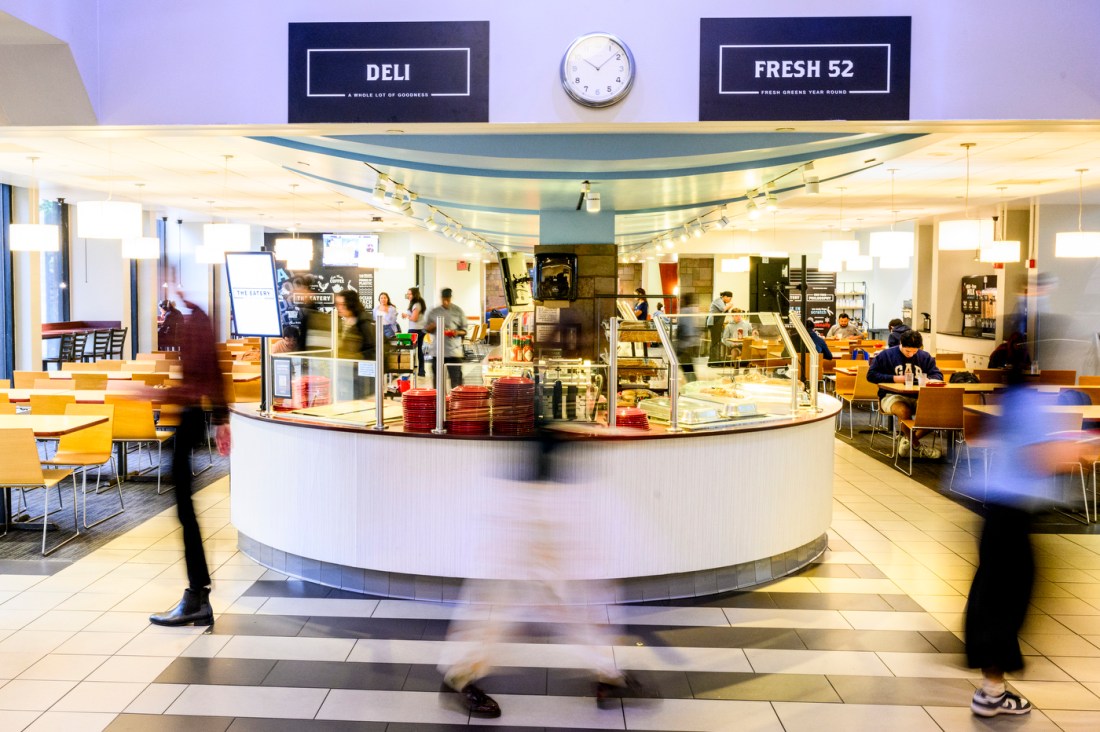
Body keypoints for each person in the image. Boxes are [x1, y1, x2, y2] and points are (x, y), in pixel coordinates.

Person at [963, 345, 1080, 717]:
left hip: (1000, 511)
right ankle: (991, 692)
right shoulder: (1029, 404)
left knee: (997, 598)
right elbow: (1039, 457)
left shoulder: (1014, 400)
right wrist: (1082, 451)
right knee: (1005, 601)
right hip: (1010, 515)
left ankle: (992, 688)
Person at [149, 292, 230, 627]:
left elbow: (202, 376)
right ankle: (197, 593)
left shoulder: (195, 321)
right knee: (184, 509)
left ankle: (197, 595)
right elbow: (211, 371)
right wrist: (222, 418)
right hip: (194, 416)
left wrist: (154, 394)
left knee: (184, 508)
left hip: (190, 417)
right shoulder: (197, 318)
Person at [865, 329, 945, 459]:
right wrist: (894, 378)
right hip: (890, 395)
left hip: (918, 396)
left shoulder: (925, 357)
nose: (911, 354)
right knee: (904, 411)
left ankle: (909, 440)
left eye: (914, 351)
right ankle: (918, 446)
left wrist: (930, 380)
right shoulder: (886, 355)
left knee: (935, 415)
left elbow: (937, 374)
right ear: (901, 344)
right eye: (908, 351)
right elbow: (871, 375)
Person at [425, 287, 467, 388]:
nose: (446, 302)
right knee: (438, 381)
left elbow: (464, 331)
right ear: (441, 298)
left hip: (454, 352)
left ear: (451, 298)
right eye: (444, 299)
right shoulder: (434, 312)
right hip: (438, 352)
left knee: (456, 381)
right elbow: (426, 329)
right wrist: (433, 326)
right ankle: (439, 401)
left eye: (448, 299)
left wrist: (456, 332)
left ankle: (455, 401)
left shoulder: (458, 311)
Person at [403, 286, 428, 377]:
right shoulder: (418, 303)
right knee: (418, 350)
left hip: (415, 330)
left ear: (415, 294)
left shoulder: (416, 304)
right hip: (420, 329)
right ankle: (421, 371)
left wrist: (406, 316)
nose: (408, 295)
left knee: (411, 350)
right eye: (408, 294)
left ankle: (411, 370)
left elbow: (414, 318)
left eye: (410, 294)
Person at [706, 291, 734, 360]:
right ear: (725, 297)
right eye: (730, 298)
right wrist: (729, 306)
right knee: (715, 342)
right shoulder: (718, 300)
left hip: (717, 323)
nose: (730, 300)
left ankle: (716, 359)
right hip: (714, 322)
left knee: (717, 341)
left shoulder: (723, 302)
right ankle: (713, 361)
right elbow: (723, 309)